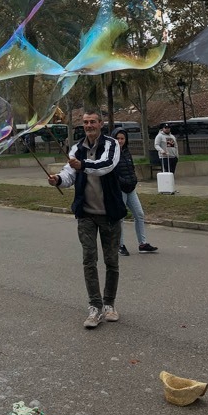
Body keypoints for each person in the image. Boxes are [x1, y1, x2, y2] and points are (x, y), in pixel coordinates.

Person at [48, 109, 126, 329]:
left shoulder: (111, 145)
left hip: (110, 214)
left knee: (111, 261)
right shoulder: (77, 148)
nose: (89, 125)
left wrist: (83, 166)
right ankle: (95, 306)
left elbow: (106, 165)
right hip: (86, 214)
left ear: (101, 123)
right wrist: (58, 180)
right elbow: (69, 173)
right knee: (89, 259)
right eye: (85, 122)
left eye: (93, 121)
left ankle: (109, 303)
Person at [112, 128, 158, 256]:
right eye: (118, 138)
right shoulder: (111, 154)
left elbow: (131, 168)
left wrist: (134, 179)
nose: (120, 141)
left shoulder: (127, 152)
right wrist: (122, 182)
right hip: (120, 189)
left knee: (139, 214)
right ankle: (119, 245)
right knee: (120, 218)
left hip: (131, 188)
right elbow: (112, 173)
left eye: (122, 138)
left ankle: (142, 244)